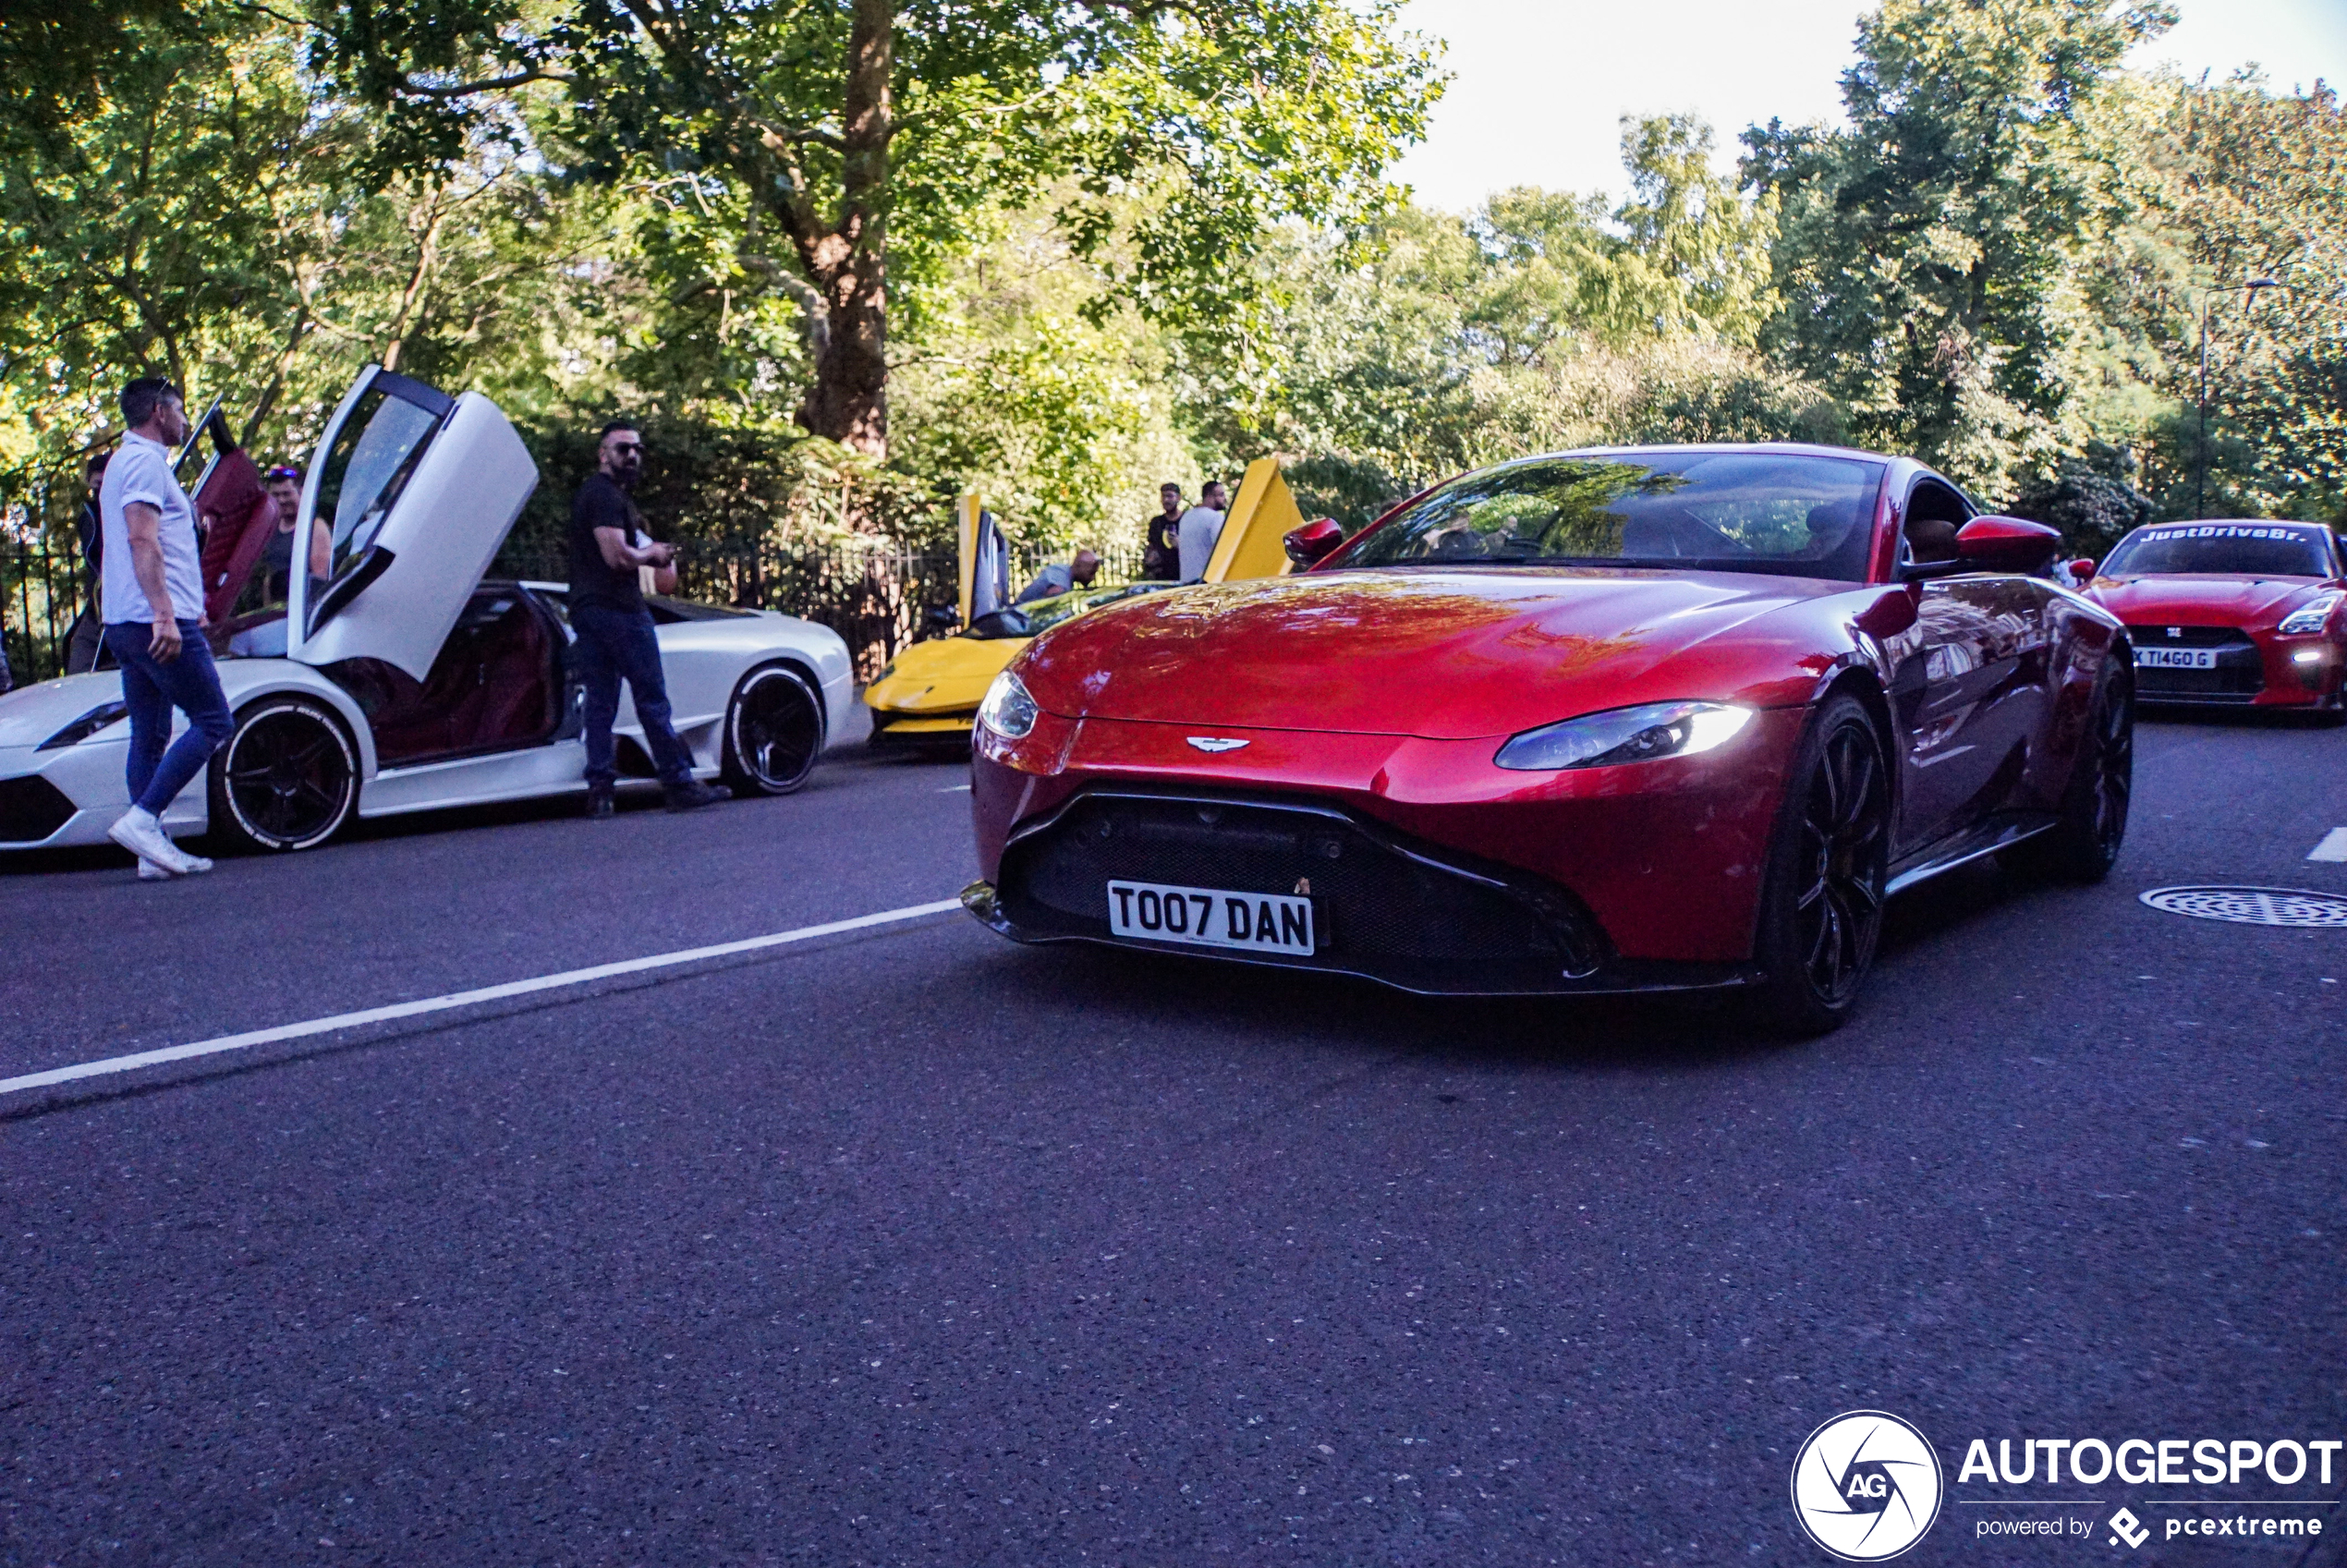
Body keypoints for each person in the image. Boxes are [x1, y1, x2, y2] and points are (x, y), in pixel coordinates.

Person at [99, 378, 228, 879]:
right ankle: (145, 820)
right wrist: (165, 613)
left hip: (126, 620)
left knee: (149, 733)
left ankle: (150, 853)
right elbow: (141, 538)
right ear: (158, 411)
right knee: (214, 721)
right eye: (180, 411)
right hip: (150, 621)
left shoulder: (125, 462)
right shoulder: (144, 462)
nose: (185, 420)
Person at [568, 419, 729, 819]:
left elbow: (658, 577)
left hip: (591, 612)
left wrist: (656, 554)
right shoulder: (603, 496)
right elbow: (618, 557)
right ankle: (678, 783)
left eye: (637, 449)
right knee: (651, 699)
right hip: (618, 611)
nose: (633, 456)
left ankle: (600, 792)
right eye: (623, 448)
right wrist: (653, 555)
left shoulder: (607, 499)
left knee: (600, 704)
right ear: (603, 455)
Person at [65, 452, 109, 674]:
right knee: (80, 666)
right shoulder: (88, 515)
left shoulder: (123, 509)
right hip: (97, 607)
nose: (101, 490)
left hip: (117, 605)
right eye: (97, 485)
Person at [1176, 480, 1230, 582]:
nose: (1225, 499)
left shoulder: (1186, 517)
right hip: (1206, 582)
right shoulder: (1215, 518)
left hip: (1186, 582)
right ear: (1209, 496)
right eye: (1221, 495)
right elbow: (1222, 550)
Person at [1015, 547, 1101, 604]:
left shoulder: (1064, 573)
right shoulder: (1061, 577)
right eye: (1091, 572)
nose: (1092, 578)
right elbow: (1052, 603)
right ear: (1078, 565)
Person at [1140, 483, 1185, 580]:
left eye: (1169, 496)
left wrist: (1179, 544)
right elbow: (1152, 546)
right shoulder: (1156, 522)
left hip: (1183, 575)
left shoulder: (1187, 520)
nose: (1166, 500)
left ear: (1178, 498)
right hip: (1162, 577)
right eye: (1163, 496)